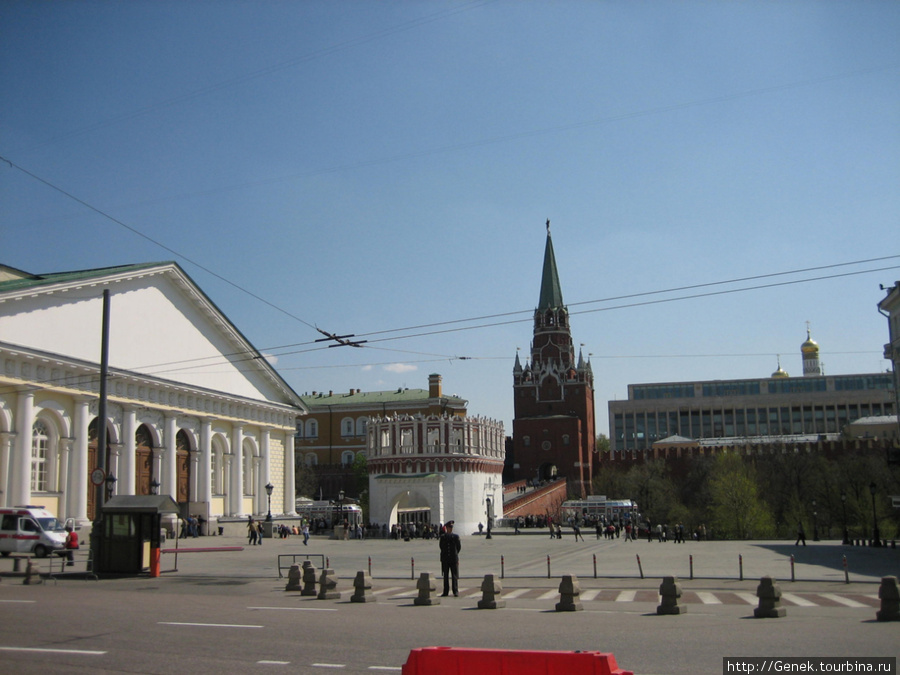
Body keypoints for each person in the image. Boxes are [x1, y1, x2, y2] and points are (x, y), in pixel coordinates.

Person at [438, 520, 461, 597]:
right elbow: (441, 546)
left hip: (453, 558)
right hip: (445, 559)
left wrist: (455, 554)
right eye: (449, 527)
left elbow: (458, 547)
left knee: (454, 576)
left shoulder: (455, 537)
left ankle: (455, 591)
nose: (450, 528)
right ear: (446, 528)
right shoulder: (443, 537)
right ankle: (445, 591)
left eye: (451, 527)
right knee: (445, 576)